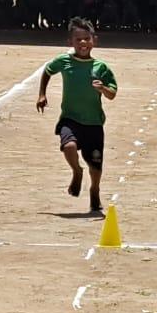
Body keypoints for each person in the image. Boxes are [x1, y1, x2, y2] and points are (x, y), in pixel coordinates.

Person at [36, 18, 118, 214]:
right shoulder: (64, 61)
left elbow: (113, 94)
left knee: (96, 165)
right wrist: (42, 94)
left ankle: (94, 190)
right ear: (70, 42)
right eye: (78, 39)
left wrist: (103, 88)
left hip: (94, 122)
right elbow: (47, 71)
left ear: (94, 41)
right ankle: (76, 171)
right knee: (69, 146)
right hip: (70, 118)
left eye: (86, 39)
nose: (82, 43)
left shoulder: (101, 67)